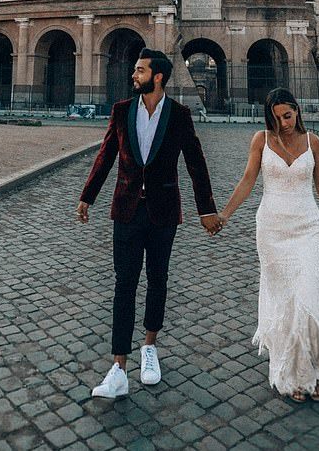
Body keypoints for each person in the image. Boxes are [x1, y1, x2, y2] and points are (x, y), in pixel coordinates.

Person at [76, 48, 221, 399]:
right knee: (124, 284)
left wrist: (207, 210)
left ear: (157, 76)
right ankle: (118, 367)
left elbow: (196, 164)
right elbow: (106, 154)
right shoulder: (122, 110)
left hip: (163, 211)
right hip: (126, 209)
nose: (133, 75)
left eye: (139, 71)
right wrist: (88, 195)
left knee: (158, 279)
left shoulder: (179, 114)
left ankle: (150, 347)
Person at [219, 87, 319, 403]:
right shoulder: (261, 140)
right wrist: (224, 214)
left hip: (308, 227)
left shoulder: (313, 142)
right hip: (272, 228)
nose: (284, 123)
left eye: (288, 116)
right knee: (286, 302)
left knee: (310, 292)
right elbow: (248, 181)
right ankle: (296, 373)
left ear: (297, 110)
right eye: (277, 118)